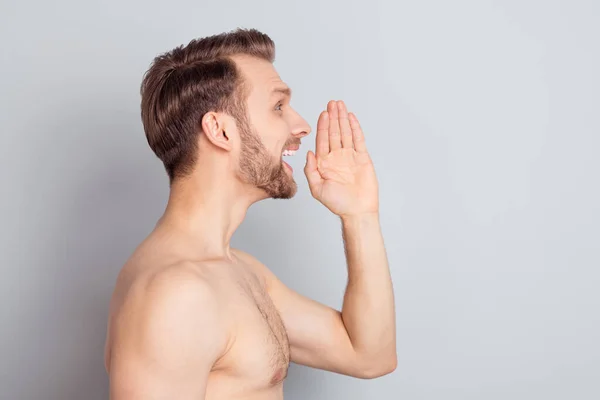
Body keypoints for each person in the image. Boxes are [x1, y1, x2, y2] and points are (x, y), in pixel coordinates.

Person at [104, 28, 396, 400]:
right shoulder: (176, 295)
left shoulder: (239, 270)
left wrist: (360, 216)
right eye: (278, 107)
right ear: (220, 131)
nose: (301, 126)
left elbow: (370, 355)